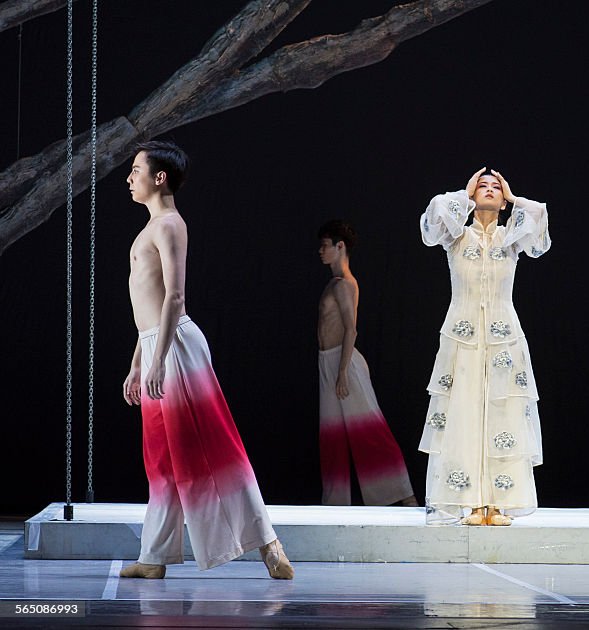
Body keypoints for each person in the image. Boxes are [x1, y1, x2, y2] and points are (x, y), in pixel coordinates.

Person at [119, 140, 293, 579]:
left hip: (175, 346)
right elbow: (149, 306)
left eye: (136, 169)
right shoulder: (151, 227)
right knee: (161, 456)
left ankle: (268, 542)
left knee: (210, 447)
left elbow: (175, 298)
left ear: (160, 178)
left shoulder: (170, 225)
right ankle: (153, 557)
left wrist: (158, 360)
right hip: (157, 342)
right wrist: (139, 360)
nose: (129, 177)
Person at [418, 168, 550, 526]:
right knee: (464, 415)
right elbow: (435, 213)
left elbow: (539, 216)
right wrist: (465, 191)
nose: (489, 190)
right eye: (483, 186)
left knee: (502, 416)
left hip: (503, 337)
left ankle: (497, 503)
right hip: (463, 338)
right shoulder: (456, 235)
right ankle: (472, 504)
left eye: (495, 187)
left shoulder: (511, 238)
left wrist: (514, 196)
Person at [316, 220, 417, 507]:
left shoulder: (345, 285)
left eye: (325, 246)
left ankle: (405, 496)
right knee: (332, 437)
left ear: (340, 246)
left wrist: (344, 372)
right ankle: (334, 503)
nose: (321, 251)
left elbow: (351, 329)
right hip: (329, 362)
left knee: (370, 432)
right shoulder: (334, 284)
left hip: (343, 362)